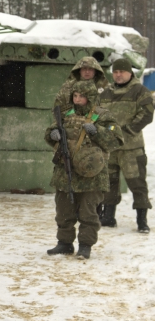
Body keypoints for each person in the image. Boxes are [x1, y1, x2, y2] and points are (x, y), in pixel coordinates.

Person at [46, 80, 123, 259]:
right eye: (75, 96)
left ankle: (85, 245)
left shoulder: (103, 116)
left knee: (88, 213)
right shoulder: (66, 115)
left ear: (90, 98)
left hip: (92, 174)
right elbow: (51, 130)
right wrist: (52, 134)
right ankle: (64, 243)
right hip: (66, 172)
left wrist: (97, 131)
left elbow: (116, 140)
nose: (78, 99)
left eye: (82, 96)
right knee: (64, 211)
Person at [99, 58, 154, 233]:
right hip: (110, 149)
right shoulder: (105, 93)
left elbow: (147, 114)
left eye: (122, 71)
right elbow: (97, 115)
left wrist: (126, 130)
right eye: (115, 72)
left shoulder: (140, 91)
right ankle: (108, 217)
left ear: (130, 73)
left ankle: (141, 220)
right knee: (108, 183)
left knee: (137, 184)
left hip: (132, 148)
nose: (119, 75)